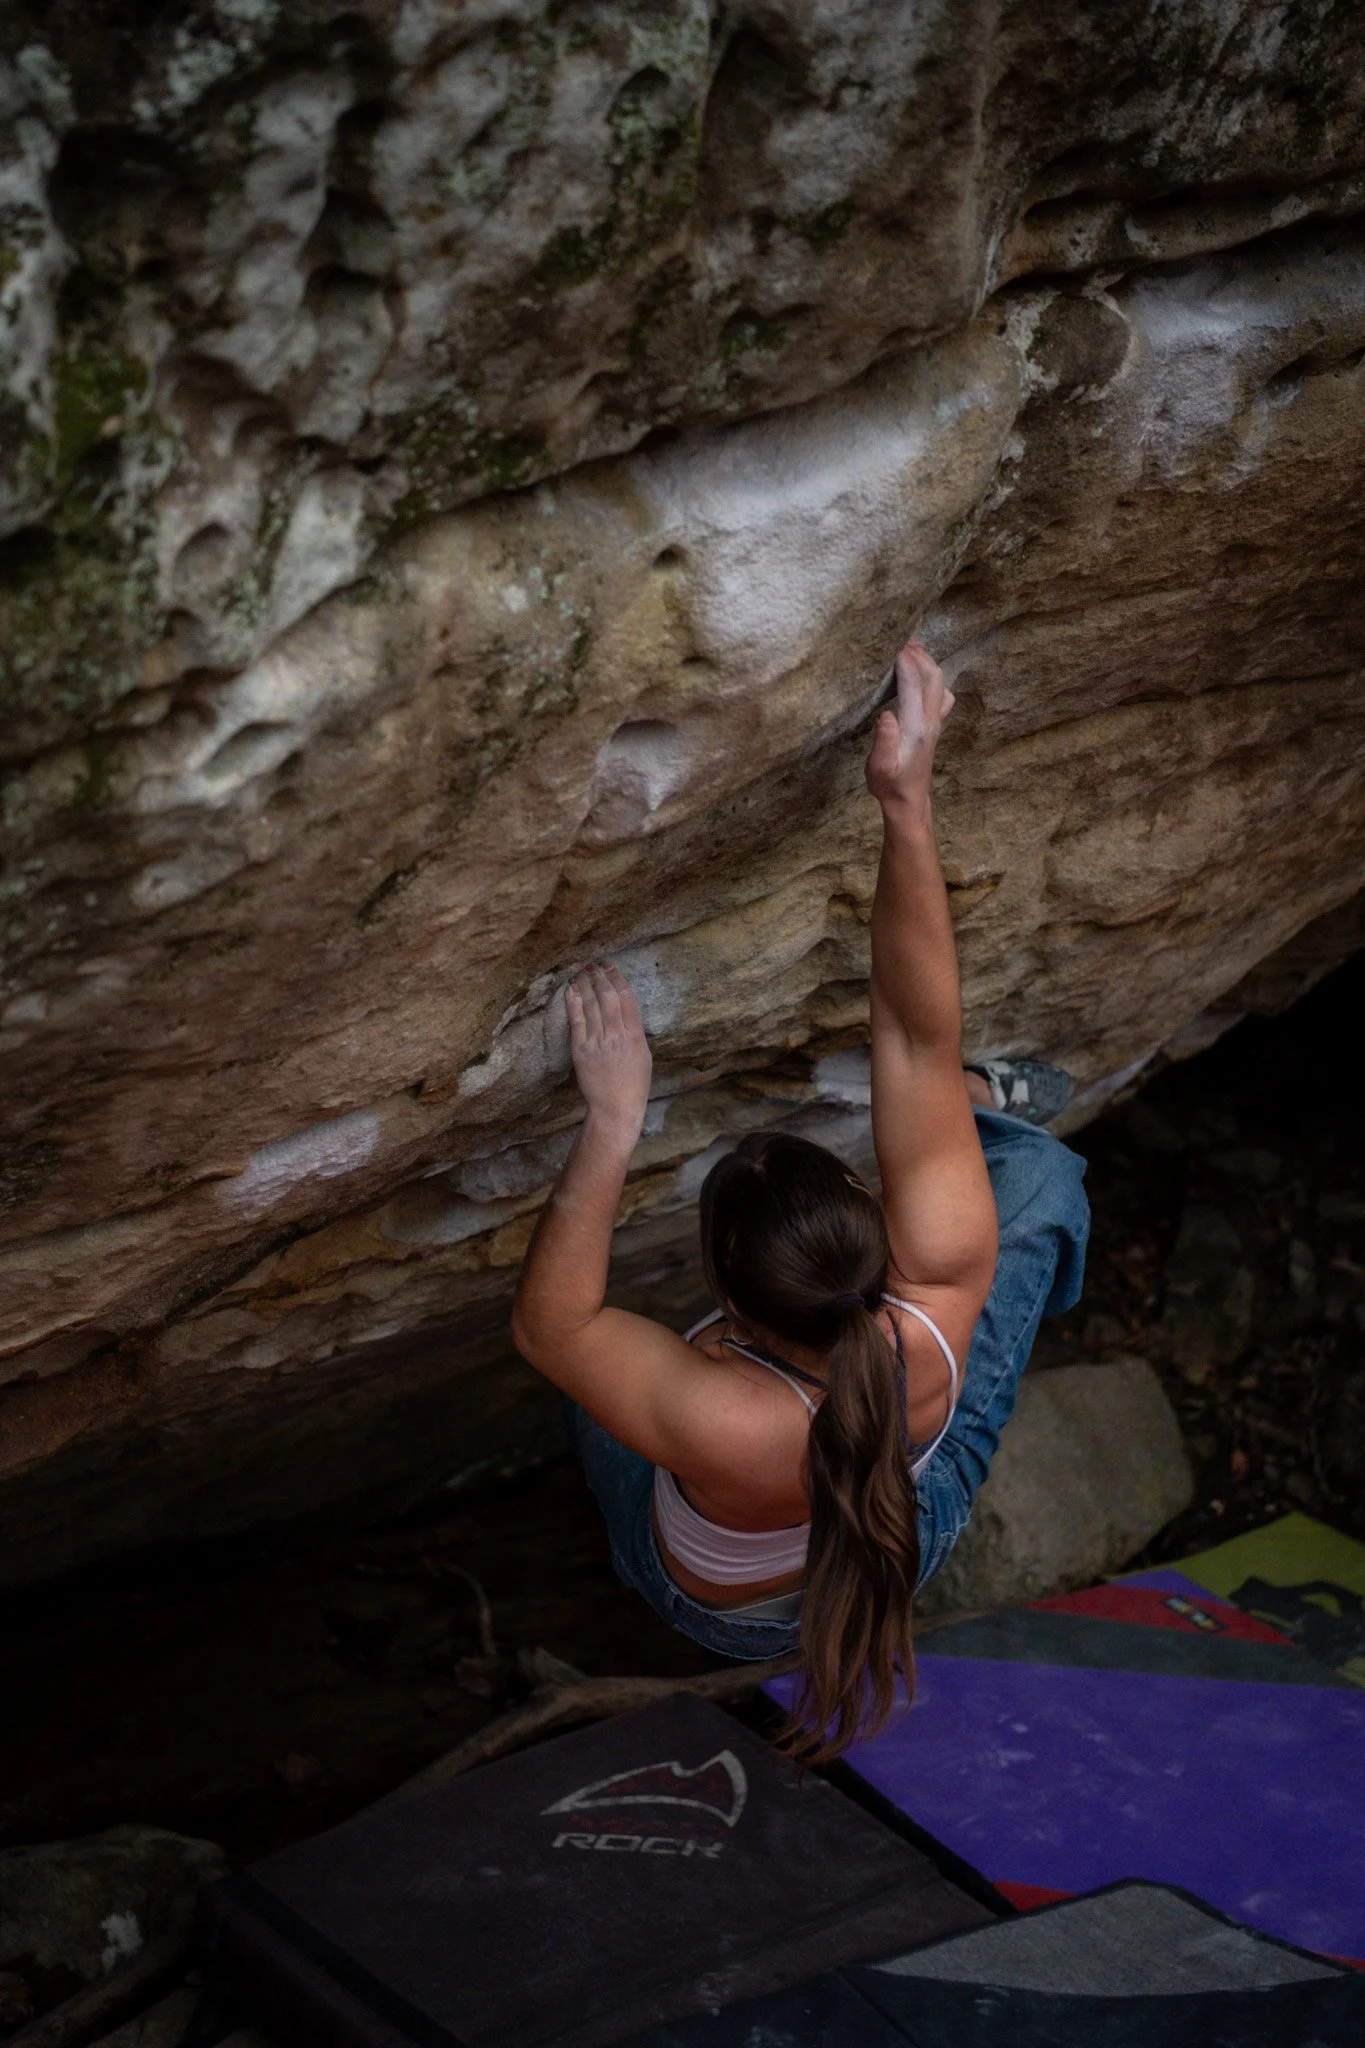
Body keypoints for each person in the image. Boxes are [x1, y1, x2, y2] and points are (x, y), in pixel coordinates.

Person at [511, 640, 1090, 1760]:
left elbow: (553, 1326)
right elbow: (919, 1033)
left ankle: (971, 1115)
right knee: (1042, 1177)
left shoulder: (717, 1412)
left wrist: (613, 1125)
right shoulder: (929, 1304)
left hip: (729, 1604)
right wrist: (905, 800)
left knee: (594, 1379)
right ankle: (979, 1110)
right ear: (878, 1240)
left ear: (721, 1308)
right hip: (892, 1531)